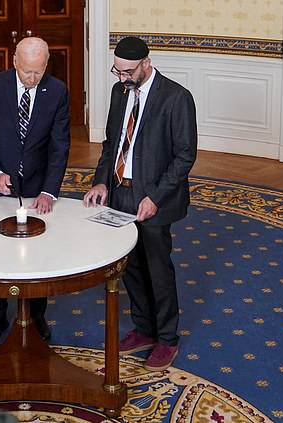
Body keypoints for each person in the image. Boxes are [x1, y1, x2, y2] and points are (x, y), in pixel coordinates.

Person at [83, 36, 197, 371]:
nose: (122, 79)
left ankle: (167, 339)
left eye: (127, 72)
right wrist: (102, 181)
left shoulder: (177, 97)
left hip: (154, 199)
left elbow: (184, 155)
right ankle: (145, 329)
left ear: (146, 63)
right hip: (121, 193)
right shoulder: (120, 93)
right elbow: (111, 143)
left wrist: (156, 198)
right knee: (130, 266)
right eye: (117, 72)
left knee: (158, 269)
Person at [0, 37, 71, 343]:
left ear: (46, 65)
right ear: (15, 62)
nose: (31, 78)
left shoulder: (57, 91)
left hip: (38, 185)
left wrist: (50, 191)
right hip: (0, 185)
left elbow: (59, 146)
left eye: (38, 72)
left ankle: (37, 315)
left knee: (39, 255)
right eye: (27, 71)